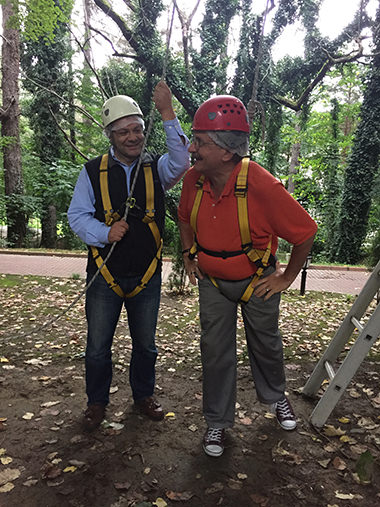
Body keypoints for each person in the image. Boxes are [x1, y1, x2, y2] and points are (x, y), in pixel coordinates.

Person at [178, 95, 317, 457]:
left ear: (227, 153)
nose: (192, 148)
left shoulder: (262, 185)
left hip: (257, 282)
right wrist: (188, 254)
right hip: (212, 282)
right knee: (215, 351)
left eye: (200, 141)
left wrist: (286, 277)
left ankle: (275, 397)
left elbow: (305, 232)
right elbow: (183, 218)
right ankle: (217, 423)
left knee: (266, 344)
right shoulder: (193, 180)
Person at [68, 81, 190, 431]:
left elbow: (182, 159)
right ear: (111, 135)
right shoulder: (92, 172)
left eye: (137, 129)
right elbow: (77, 216)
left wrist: (167, 112)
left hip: (146, 275)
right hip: (105, 276)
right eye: (124, 131)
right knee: (96, 347)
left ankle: (143, 396)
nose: (133, 136)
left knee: (146, 346)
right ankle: (96, 402)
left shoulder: (156, 169)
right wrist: (105, 233)